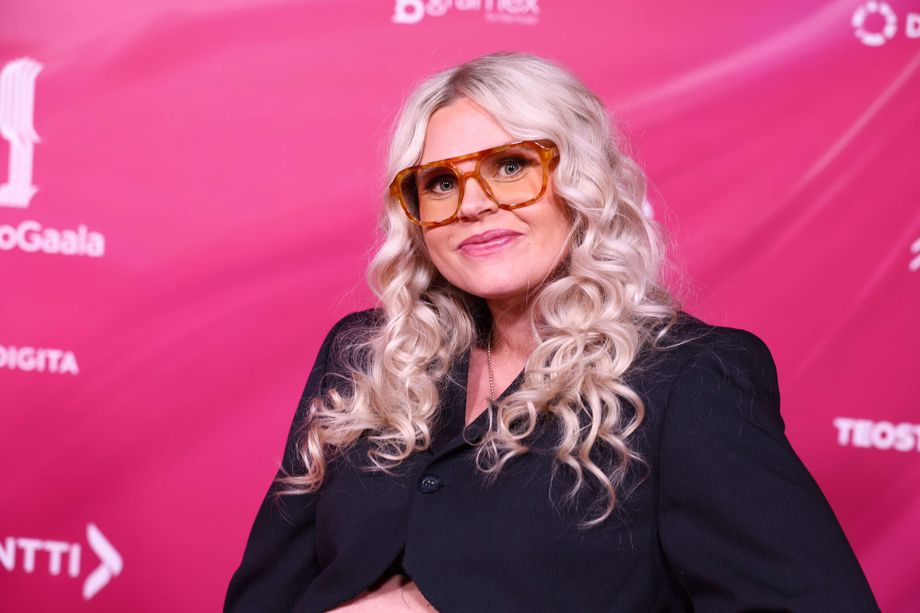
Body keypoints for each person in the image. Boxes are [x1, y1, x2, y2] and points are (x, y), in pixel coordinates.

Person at [224, 52, 880, 612]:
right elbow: (261, 598)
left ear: (580, 182)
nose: (473, 204)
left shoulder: (688, 380)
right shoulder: (364, 357)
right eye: (441, 182)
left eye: (511, 166)